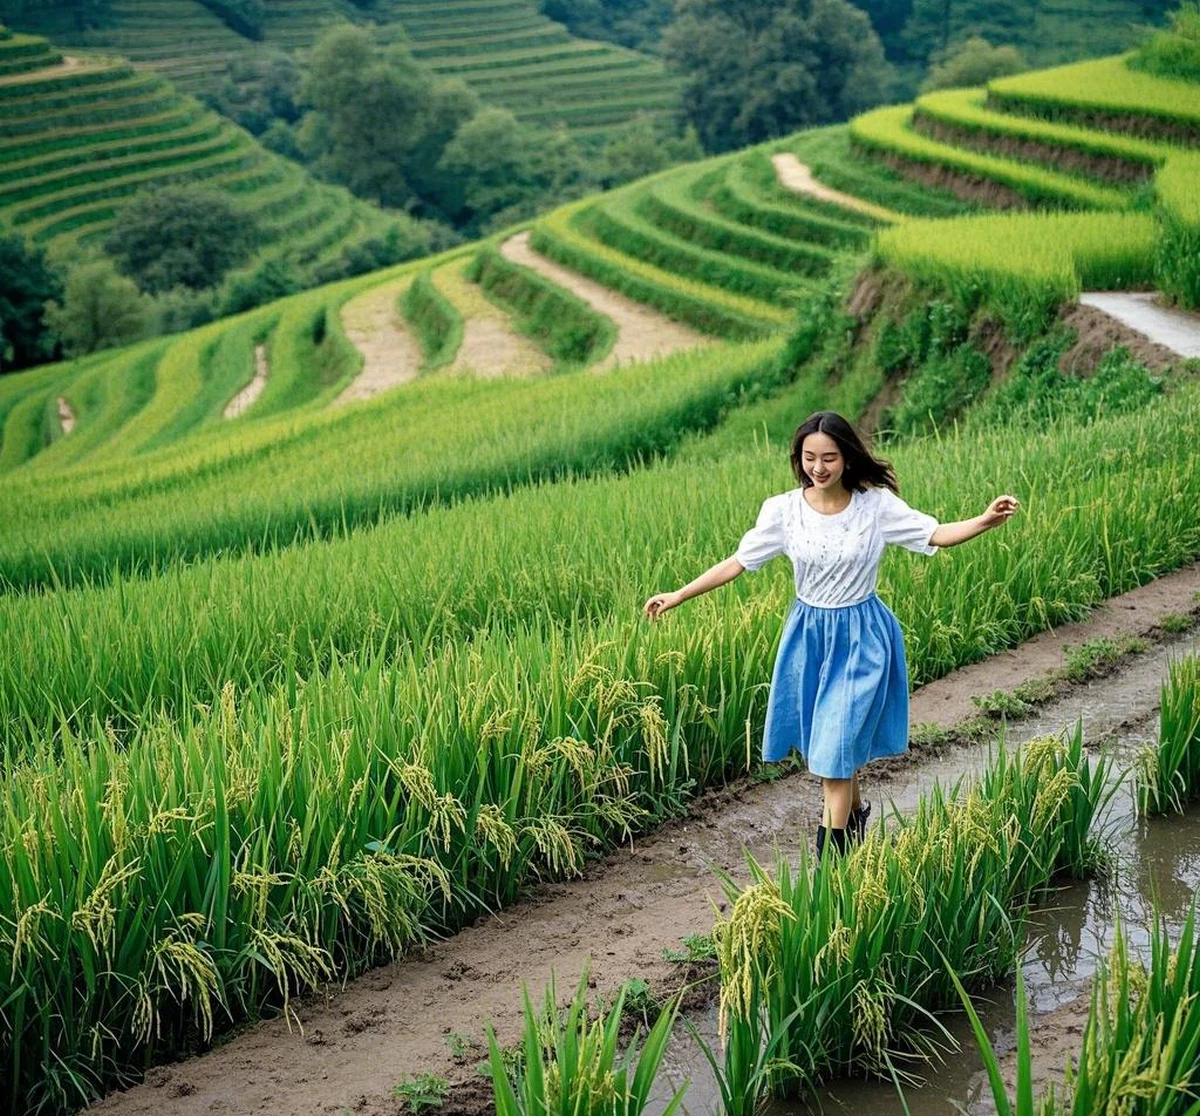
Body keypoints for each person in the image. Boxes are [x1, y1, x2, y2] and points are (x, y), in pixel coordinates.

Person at [643, 411, 1019, 862]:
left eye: (829, 458)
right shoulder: (783, 511)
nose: (818, 468)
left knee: (833, 750)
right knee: (830, 745)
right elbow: (738, 562)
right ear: (799, 459)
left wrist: (983, 521)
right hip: (809, 639)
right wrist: (679, 594)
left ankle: (831, 868)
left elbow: (934, 534)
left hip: (862, 638)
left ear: (847, 458)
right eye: (809, 458)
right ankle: (856, 816)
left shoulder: (875, 507)